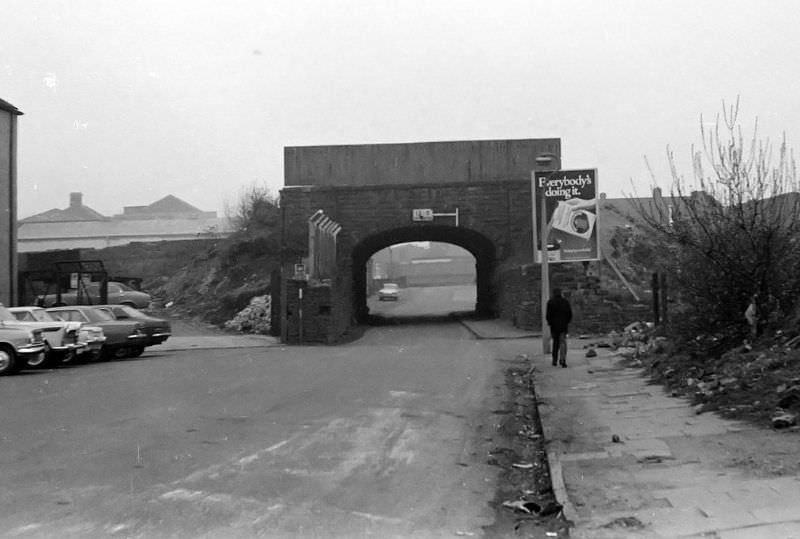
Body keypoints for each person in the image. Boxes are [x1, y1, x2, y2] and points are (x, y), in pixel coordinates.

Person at [546, 287, 572, 367]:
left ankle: (554, 359)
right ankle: (563, 359)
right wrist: (566, 322)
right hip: (563, 326)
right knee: (563, 342)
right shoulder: (565, 302)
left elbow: (548, 315)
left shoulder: (550, 302)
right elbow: (569, 314)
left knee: (555, 343)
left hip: (554, 326)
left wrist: (550, 323)